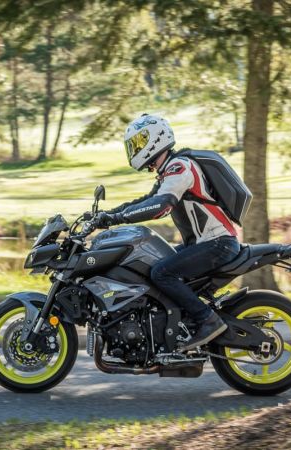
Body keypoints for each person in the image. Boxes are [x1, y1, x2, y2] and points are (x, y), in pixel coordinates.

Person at [94, 114, 240, 350]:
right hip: (205, 244)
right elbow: (146, 200)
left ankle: (207, 320)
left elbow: (161, 205)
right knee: (151, 264)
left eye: (140, 142)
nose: (136, 149)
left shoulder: (180, 167)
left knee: (161, 273)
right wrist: (107, 215)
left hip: (217, 243)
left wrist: (117, 218)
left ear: (156, 139)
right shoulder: (169, 171)